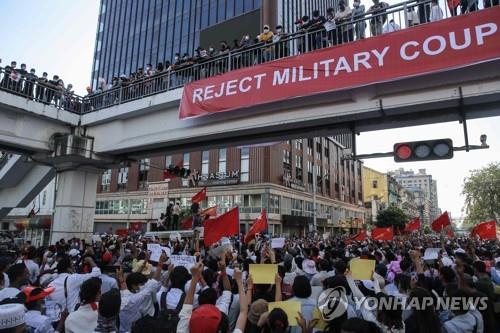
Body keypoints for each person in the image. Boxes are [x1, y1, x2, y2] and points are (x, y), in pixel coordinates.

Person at [45, 255, 101, 320]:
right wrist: (90, 260)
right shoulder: (73, 278)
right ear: (68, 269)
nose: (74, 267)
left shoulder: (50, 285)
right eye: (72, 265)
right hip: (72, 319)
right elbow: (96, 273)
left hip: (56, 321)